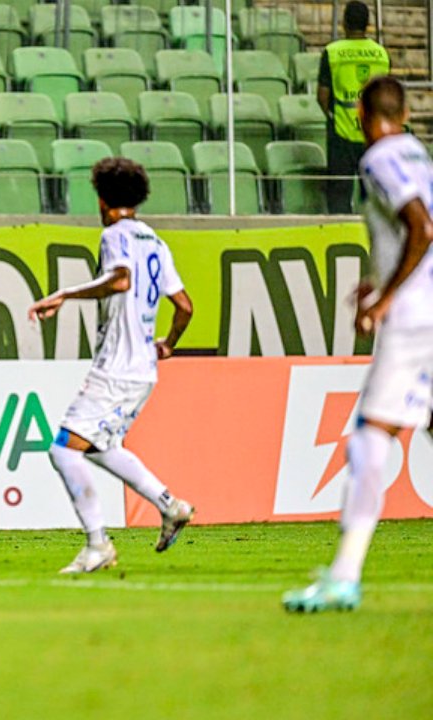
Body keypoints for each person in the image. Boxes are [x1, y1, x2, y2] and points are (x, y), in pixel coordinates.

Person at [284, 77, 433, 612]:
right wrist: (387, 278)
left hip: (416, 320)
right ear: (407, 110)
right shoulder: (419, 153)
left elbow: (422, 225)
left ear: (362, 114)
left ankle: (344, 576)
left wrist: (389, 297)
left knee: (371, 436)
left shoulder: (379, 159)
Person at [29, 158, 195, 574]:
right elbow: (185, 306)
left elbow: (120, 279)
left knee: (63, 449)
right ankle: (170, 505)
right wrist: (168, 345)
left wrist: (65, 294)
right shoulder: (156, 242)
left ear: (102, 199)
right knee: (102, 447)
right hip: (143, 369)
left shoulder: (114, 235)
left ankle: (97, 544)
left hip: (117, 368)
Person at [318, 0, 390, 214]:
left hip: (341, 131)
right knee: (373, 194)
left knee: (340, 192)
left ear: (344, 23)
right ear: (368, 24)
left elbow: (322, 96)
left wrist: (332, 115)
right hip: (372, 132)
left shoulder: (332, 52)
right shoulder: (381, 54)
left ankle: (339, 238)